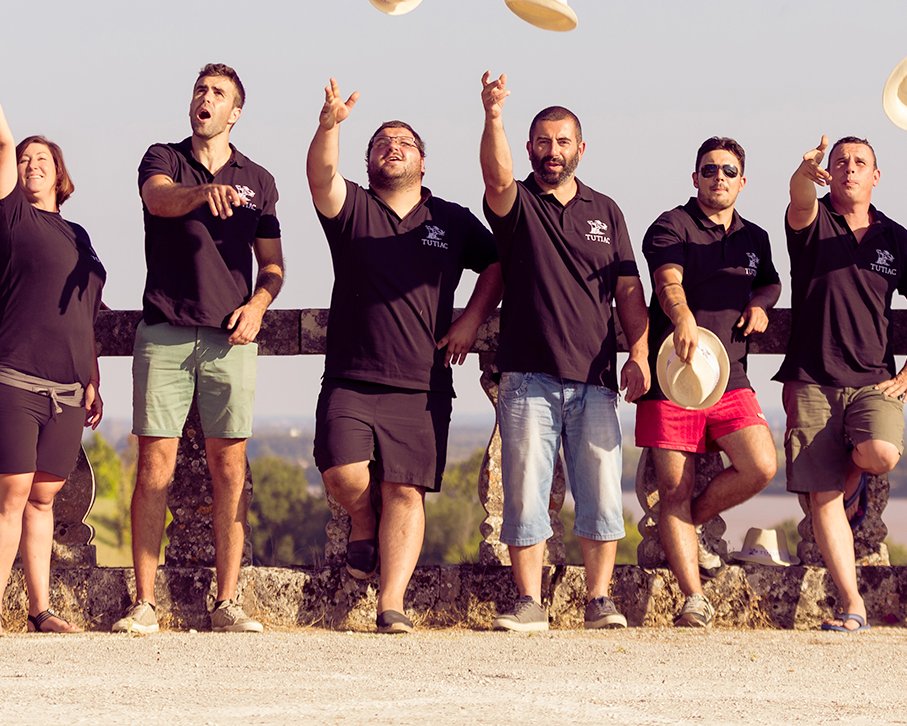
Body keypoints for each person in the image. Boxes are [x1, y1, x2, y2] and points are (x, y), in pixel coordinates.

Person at [305, 79, 504, 634]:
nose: (392, 146)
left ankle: (390, 603)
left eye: (404, 142)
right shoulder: (352, 211)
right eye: (381, 142)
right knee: (344, 474)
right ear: (368, 161)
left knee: (407, 490)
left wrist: (469, 320)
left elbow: (499, 264)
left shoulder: (452, 219)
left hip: (423, 381)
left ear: (422, 160)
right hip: (351, 374)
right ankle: (361, 521)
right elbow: (320, 177)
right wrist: (330, 125)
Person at [478, 72, 649, 632]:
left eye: (563, 141)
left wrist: (641, 353)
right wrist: (495, 115)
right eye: (543, 142)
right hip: (527, 376)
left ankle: (599, 601)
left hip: (596, 378)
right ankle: (530, 603)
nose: (553, 151)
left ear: (581, 147)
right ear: (530, 148)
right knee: (524, 495)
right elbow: (495, 174)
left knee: (601, 496)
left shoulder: (606, 210)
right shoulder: (517, 202)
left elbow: (628, 289)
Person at [119, 64, 284, 635]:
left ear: (235, 112)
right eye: (199, 91)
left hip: (230, 342)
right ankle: (143, 604)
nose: (204, 99)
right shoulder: (163, 157)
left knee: (230, 469)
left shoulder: (258, 179)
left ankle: (227, 602)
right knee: (153, 468)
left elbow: (274, 264)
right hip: (163, 332)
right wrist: (202, 193)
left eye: (217, 94)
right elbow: (158, 201)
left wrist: (260, 304)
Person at [0, 35, 106, 638]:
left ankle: (41, 610)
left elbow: (87, 312)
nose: (31, 164)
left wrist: (92, 378)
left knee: (44, 501)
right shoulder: (11, 219)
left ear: (61, 173)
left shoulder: (80, 234)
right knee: (10, 497)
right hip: (16, 379)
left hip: (70, 389)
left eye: (43, 159)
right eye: (25, 159)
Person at [783, 135, 907, 633]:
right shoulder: (813, 220)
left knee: (881, 455)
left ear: (876, 176)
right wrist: (803, 173)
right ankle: (852, 604)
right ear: (828, 172)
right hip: (811, 379)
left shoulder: (894, 235)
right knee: (822, 496)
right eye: (840, 162)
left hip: (874, 379)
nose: (849, 169)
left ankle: (851, 480)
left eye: (860, 163)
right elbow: (798, 199)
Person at [638, 137, 782, 629]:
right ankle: (694, 599)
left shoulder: (755, 237)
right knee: (672, 489)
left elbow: (770, 280)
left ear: (742, 181)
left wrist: (761, 305)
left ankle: (681, 525)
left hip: (729, 376)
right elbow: (667, 281)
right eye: (709, 169)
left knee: (761, 465)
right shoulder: (669, 225)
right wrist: (681, 318)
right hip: (673, 378)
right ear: (694, 177)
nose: (718, 177)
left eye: (728, 171)